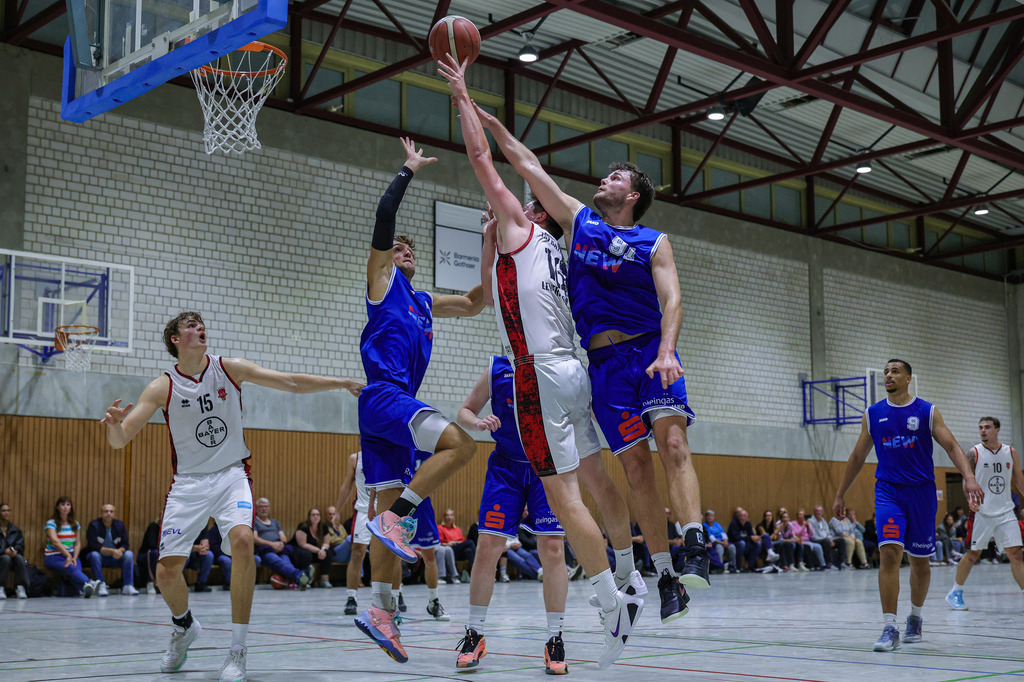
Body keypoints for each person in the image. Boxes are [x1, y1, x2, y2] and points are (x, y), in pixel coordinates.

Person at [465, 72, 709, 606]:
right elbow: (528, 166)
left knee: (672, 444)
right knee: (635, 468)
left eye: (616, 176)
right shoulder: (579, 223)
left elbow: (673, 299)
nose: (605, 178)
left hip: (650, 351)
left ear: (634, 194)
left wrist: (668, 349)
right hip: (602, 365)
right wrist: (494, 124)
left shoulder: (653, 241)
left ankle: (694, 542)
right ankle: (666, 576)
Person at [441, 56, 646, 671]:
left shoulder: (522, 228)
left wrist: (461, 97)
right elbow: (487, 295)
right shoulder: (553, 248)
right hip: (572, 370)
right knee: (596, 477)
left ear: (527, 215)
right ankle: (631, 573)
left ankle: (609, 602)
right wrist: (487, 239)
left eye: (518, 205)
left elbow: (483, 159)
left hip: (536, 376)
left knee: (562, 498)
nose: (512, 204)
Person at [100, 310, 363, 681]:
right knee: (165, 572)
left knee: (242, 541)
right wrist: (113, 425)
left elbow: (289, 382)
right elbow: (120, 439)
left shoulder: (229, 368)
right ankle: (184, 626)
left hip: (231, 475)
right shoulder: (162, 386)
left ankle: (237, 651)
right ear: (175, 339)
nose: (200, 328)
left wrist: (342, 382)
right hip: (188, 484)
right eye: (190, 326)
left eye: (201, 324)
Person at [353, 136, 485, 666]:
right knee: (461, 445)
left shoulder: (425, 302)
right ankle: (401, 515)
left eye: (411, 250)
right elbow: (384, 218)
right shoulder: (382, 285)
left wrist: (491, 242)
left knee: (385, 522)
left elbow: (475, 303)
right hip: (384, 396)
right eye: (399, 249)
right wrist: (407, 169)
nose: (405, 252)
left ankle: (381, 611)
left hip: (389, 413)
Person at [833, 359, 983, 652]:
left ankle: (915, 617)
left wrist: (968, 477)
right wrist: (840, 494)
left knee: (920, 561)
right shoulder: (873, 414)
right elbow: (857, 457)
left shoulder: (927, 411)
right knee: (889, 553)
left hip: (922, 493)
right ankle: (889, 627)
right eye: (886, 372)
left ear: (908, 378)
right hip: (888, 492)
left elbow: (952, 446)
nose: (888, 375)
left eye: (895, 371)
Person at [454, 356, 578, 673]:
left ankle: (555, 639)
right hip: (506, 469)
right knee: (487, 548)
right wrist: (476, 422)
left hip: (547, 465)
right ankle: (475, 633)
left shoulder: (555, 360)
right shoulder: (496, 368)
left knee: (553, 548)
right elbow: (464, 411)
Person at [946, 416, 1024, 611]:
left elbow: (1019, 480)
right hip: (982, 511)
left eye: (987, 427)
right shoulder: (974, 453)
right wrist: (969, 498)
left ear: (997, 430)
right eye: (980, 427)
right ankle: (955, 591)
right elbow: (967, 479)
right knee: (973, 554)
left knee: (1016, 554)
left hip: (1006, 511)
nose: (983, 430)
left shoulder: (1010, 452)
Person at [333, 451, 371, 614]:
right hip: (362, 511)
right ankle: (351, 597)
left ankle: (396, 594)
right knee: (357, 553)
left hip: (385, 510)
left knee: (389, 555)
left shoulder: (389, 452)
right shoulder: (355, 459)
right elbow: (347, 485)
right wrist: (337, 511)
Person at [43, 496, 99, 597]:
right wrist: (67, 555)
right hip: (54, 556)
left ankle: (84, 588)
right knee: (71, 568)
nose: (65, 507)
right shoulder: (51, 523)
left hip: (71, 555)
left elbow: (77, 543)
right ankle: (90, 583)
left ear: (71, 508)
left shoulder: (75, 524)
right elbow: (55, 541)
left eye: (68, 505)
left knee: (76, 569)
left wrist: (74, 557)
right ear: (57, 507)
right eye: (63, 504)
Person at [254, 497, 313, 589]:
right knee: (279, 563)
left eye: (266, 506)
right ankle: (301, 576)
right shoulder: (254, 522)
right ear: (256, 509)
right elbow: (255, 539)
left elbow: (283, 537)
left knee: (286, 563)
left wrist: (281, 544)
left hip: (280, 549)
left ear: (269, 508)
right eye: (261, 507)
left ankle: (300, 578)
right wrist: (272, 544)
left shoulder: (275, 522)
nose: (264, 509)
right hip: (265, 551)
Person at [84, 503, 137, 596]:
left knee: (129, 554)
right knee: (94, 555)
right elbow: (92, 546)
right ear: (101, 513)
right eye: (106, 511)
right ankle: (101, 585)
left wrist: (120, 551)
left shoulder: (120, 525)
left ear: (114, 514)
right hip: (99, 558)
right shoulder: (94, 525)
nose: (109, 513)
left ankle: (128, 585)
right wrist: (112, 551)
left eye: (111, 511)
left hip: (115, 558)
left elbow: (125, 544)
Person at [291, 508, 332, 586]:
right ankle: (304, 579)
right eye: (313, 515)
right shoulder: (303, 526)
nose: (316, 517)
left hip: (316, 552)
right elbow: (302, 544)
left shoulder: (323, 526)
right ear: (309, 517)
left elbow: (326, 543)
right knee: (306, 554)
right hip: (300, 552)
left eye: (317, 515)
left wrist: (322, 550)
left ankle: (324, 579)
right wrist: (318, 550)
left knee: (328, 553)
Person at [0, 502, 29, 599]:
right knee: (6, 558)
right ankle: (1, 587)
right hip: (2, 557)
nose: (6, 513)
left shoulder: (15, 530)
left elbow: (20, 544)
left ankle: (20, 587)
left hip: (12, 556)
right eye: (4, 511)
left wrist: (15, 550)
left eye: (8, 510)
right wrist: (4, 551)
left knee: (19, 558)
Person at [438, 509, 476, 576]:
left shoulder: (457, 529)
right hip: (449, 549)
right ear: (444, 517)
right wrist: (449, 543)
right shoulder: (440, 528)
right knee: (470, 542)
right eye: (447, 515)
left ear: (453, 517)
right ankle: (478, 565)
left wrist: (457, 542)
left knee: (469, 551)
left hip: (458, 549)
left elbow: (463, 541)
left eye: (451, 515)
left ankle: (474, 573)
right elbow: (439, 542)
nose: (449, 517)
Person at [809, 505, 845, 569]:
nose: (818, 513)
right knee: (826, 542)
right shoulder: (811, 521)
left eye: (820, 511)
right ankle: (829, 563)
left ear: (822, 512)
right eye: (817, 511)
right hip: (817, 539)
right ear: (814, 512)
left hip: (826, 539)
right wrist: (827, 539)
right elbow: (813, 536)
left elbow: (828, 533)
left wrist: (830, 539)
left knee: (841, 541)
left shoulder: (823, 520)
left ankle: (842, 562)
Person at [186, 526, 214, 593]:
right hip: (184, 551)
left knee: (209, 555)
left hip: (197, 551)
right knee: (184, 556)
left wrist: (203, 548)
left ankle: (201, 583)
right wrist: (194, 548)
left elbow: (205, 541)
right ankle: (176, 582)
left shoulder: (202, 524)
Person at [137, 517, 161, 594]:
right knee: (154, 553)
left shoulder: (172, 529)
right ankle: (150, 582)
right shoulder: (153, 526)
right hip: (146, 555)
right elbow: (152, 545)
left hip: (162, 553)